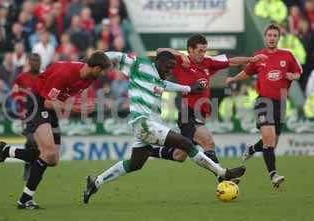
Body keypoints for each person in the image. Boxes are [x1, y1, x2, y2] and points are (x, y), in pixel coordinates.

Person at [83, 51, 246, 205]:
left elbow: (166, 85)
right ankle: (223, 173)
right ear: (157, 62)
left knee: (135, 163)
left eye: (171, 68)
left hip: (145, 127)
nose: (170, 71)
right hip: (143, 123)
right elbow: (115, 56)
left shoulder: (159, 79)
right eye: (167, 67)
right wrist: (90, 62)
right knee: (186, 144)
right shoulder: (140, 64)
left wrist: (189, 88)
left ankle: (96, 182)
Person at [0, 51, 112, 209]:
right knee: (49, 153)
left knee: (51, 159)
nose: (102, 74)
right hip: (38, 104)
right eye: (101, 70)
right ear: (94, 67)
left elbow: (64, 96)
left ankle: (6, 151)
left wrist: (78, 107)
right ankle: (25, 199)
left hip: (52, 107)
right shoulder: (63, 74)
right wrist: (76, 108)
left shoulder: (89, 78)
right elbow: (47, 102)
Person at [149, 34, 266, 183]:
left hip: (200, 114)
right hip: (188, 113)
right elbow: (159, 51)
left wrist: (251, 59)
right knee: (208, 142)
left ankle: (148, 151)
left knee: (179, 155)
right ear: (190, 50)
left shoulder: (208, 63)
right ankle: (222, 177)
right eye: (199, 51)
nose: (202, 54)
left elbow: (231, 61)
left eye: (204, 51)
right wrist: (180, 54)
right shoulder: (180, 61)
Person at [226, 24, 302, 188]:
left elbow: (299, 71)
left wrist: (293, 75)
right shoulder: (259, 56)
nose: (272, 38)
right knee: (269, 141)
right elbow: (247, 72)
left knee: (272, 141)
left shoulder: (287, 56)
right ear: (265, 37)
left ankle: (252, 149)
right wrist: (232, 80)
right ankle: (273, 174)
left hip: (281, 102)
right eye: (269, 35)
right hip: (263, 101)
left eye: (275, 35)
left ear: (279, 38)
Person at [11, 53, 41, 181]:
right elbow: (15, 95)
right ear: (29, 62)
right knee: (31, 141)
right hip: (27, 115)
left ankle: (32, 165)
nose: (35, 63)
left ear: (40, 62)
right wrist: (21, 111)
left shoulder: (44, 76)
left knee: (38, 143)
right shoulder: (21, 78)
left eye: (37, 60)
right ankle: (28, 165)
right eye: (33, 60)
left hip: (41, 114)